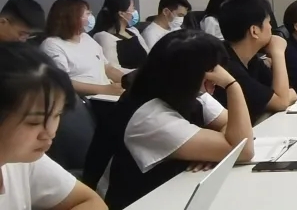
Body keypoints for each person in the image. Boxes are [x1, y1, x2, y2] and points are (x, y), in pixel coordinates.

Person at [82, 29, 254, 210]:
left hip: (169, 192)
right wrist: (233, 86)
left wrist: (217, 150)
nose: (217, 78)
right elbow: (244, 149)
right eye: (211, 71)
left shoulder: (185, 92)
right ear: (186, 75)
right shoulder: (148, 117)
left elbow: (234, 130)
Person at [0, 42, 106, 210]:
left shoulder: (21, 158)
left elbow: (91, 202)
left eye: (57, 115)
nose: (50, 133)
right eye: (34, 122)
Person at [214, 0, 296, 121]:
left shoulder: (251, 60)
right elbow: (282, 101)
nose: (271, 27)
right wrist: (278, 53)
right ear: (254, 31)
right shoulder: (227, 66)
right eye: (269, 22)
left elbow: (288, 92)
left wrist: (283, 97)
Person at [40, 0, 124, 96]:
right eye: (87, 14)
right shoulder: (52, 45)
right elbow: (61, 82)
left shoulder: (86, 38)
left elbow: (107, 68)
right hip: (86, 99)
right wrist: (105, 89)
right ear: (72, 18)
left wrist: (130, 82)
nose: (91, 17)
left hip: (106, 94)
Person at [91, 0, 149, 72]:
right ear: (121, 14)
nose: (134, 11)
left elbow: (148, 56)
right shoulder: (104, 37)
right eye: (132, 8)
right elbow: (114, 68)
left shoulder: (134, 31)